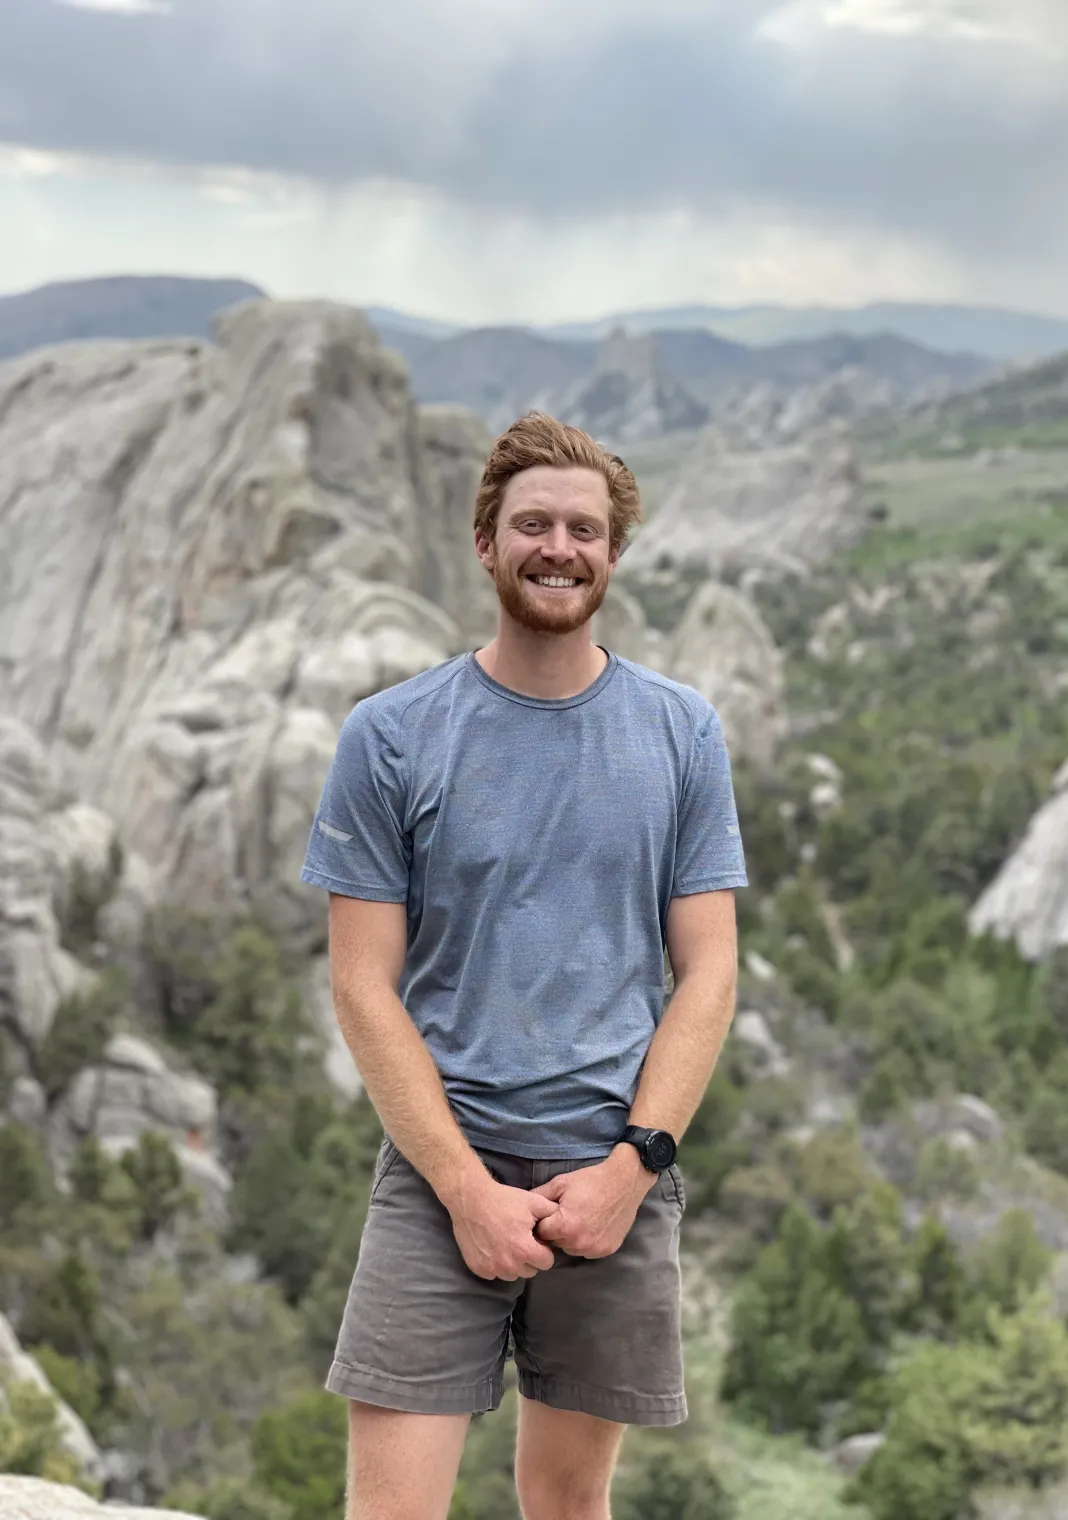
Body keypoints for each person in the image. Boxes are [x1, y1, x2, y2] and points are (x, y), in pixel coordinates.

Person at [300, 412, 748, 1520]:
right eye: (534, 523)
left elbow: (710, 972)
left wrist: (633, 1168)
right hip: (439, 1168)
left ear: (614, 551)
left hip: (612, 1168)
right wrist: (463, 1186)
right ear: (486, 543)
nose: (561, 546)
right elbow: (361, 983)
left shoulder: (681, 732)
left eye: (585, 529)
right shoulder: (393, 734)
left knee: (566, 1502)